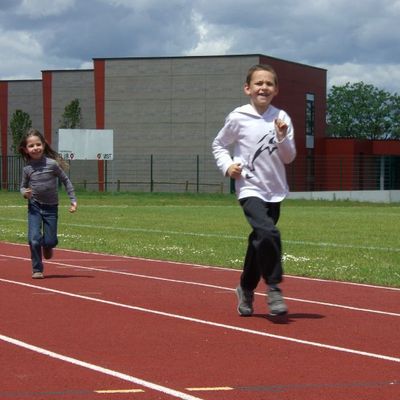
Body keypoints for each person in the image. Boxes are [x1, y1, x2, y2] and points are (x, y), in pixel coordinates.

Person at [212, 64, 296, 316]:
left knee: (259, 241)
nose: (264, 87)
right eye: (259, 83)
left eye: (269, 84)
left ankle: (245, 288)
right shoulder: (237, 117)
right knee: (268, 232)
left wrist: (281, 136)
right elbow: (218, 145)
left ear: (276, 90)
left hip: (275, 190)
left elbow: (289, 157)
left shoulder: (282, 118)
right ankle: (273, 287)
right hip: (249, 187)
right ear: (247, 88)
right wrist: (228, 166)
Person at [19, 128, 77, 279]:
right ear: (25, 149)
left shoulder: (52, 164)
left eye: (38, 144)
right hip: (34, 206)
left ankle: (48, 246)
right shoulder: (27, 169)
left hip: (51, 207)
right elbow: (22, 187)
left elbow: (66, 180)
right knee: (34, 238)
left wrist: (73, 200)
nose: (35, 148)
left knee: (50, 240)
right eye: (31, 146)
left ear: (44, 145)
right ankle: (37, 269)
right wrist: (25, 193)